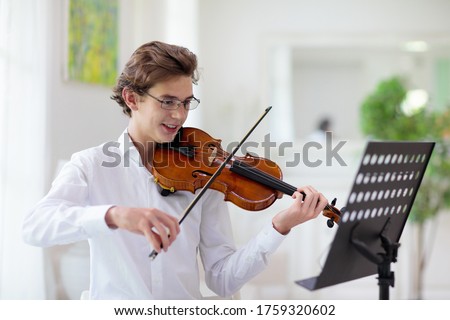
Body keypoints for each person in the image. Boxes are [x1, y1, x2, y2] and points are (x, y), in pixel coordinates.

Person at [23, 41, 328, 299]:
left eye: (185, 102)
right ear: (132, 98)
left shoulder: (205, 174)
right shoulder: (91, 165)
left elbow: (222, 279)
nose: (179, 115)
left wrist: (279, 226)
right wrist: (115, 215)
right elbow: (36, 226)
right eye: (168, 101)